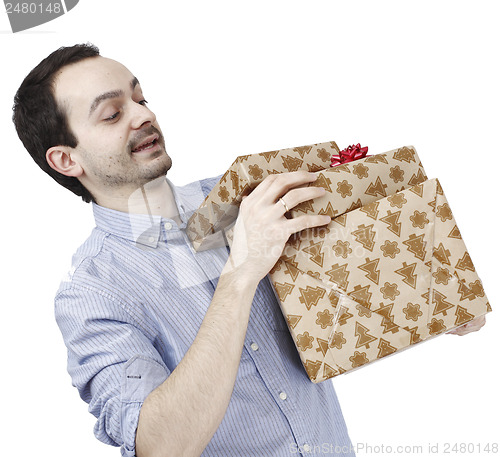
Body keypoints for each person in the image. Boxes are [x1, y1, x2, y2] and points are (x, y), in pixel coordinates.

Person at [13, 44, 485, 457]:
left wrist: (434, 301)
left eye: (140, 97)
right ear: (66, 159)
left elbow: (348, 301)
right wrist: (241, 273)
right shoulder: (91, 296)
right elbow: (159, 446)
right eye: (112, 114)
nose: (143, 116)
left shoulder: (245, 198)